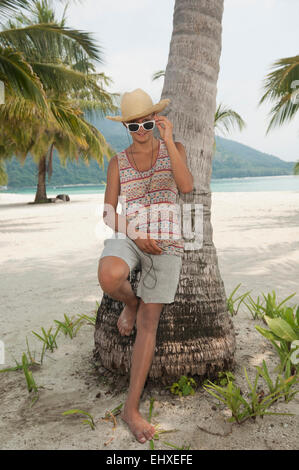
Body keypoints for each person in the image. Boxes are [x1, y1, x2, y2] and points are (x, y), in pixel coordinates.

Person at [97, 88, 193, 444]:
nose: (142, 130)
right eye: (134, 126)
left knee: (149, 323)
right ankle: (130, 301)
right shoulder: (117, 162)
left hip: (167, 241)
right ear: (126, 127)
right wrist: (135, 236)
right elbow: (109, 213)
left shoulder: (175, 149)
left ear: (157, 121)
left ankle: (130, 409)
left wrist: (168, 142)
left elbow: (186, 186)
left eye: (148, 123)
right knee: (109, 274)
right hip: (132, 236)